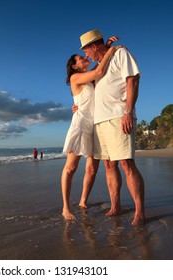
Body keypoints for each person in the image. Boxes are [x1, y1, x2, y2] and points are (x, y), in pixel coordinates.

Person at [79, 29, 145, 225]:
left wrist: (128, 112)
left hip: (118, 116)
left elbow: (132, 80)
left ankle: (140, 211)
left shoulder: (121, 54)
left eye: (86, 51)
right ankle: (115, 206)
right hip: (100, 121)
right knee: (109, 165)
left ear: (93, 46)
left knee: (126, 163)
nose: (85, 55)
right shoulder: (101, 64)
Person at [61, 37, 122, 221]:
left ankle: (82, 201)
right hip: (80, 124)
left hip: (94, 125)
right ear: (74, 66)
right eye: (80, 58)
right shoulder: (75, 77)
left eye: (84, 55)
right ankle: (65, 207)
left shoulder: (90, 80)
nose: (84, 57)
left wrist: (106, 47)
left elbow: (99, 66)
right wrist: (113, 50)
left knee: (93, 169)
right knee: (71, 167)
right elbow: (100, 70)